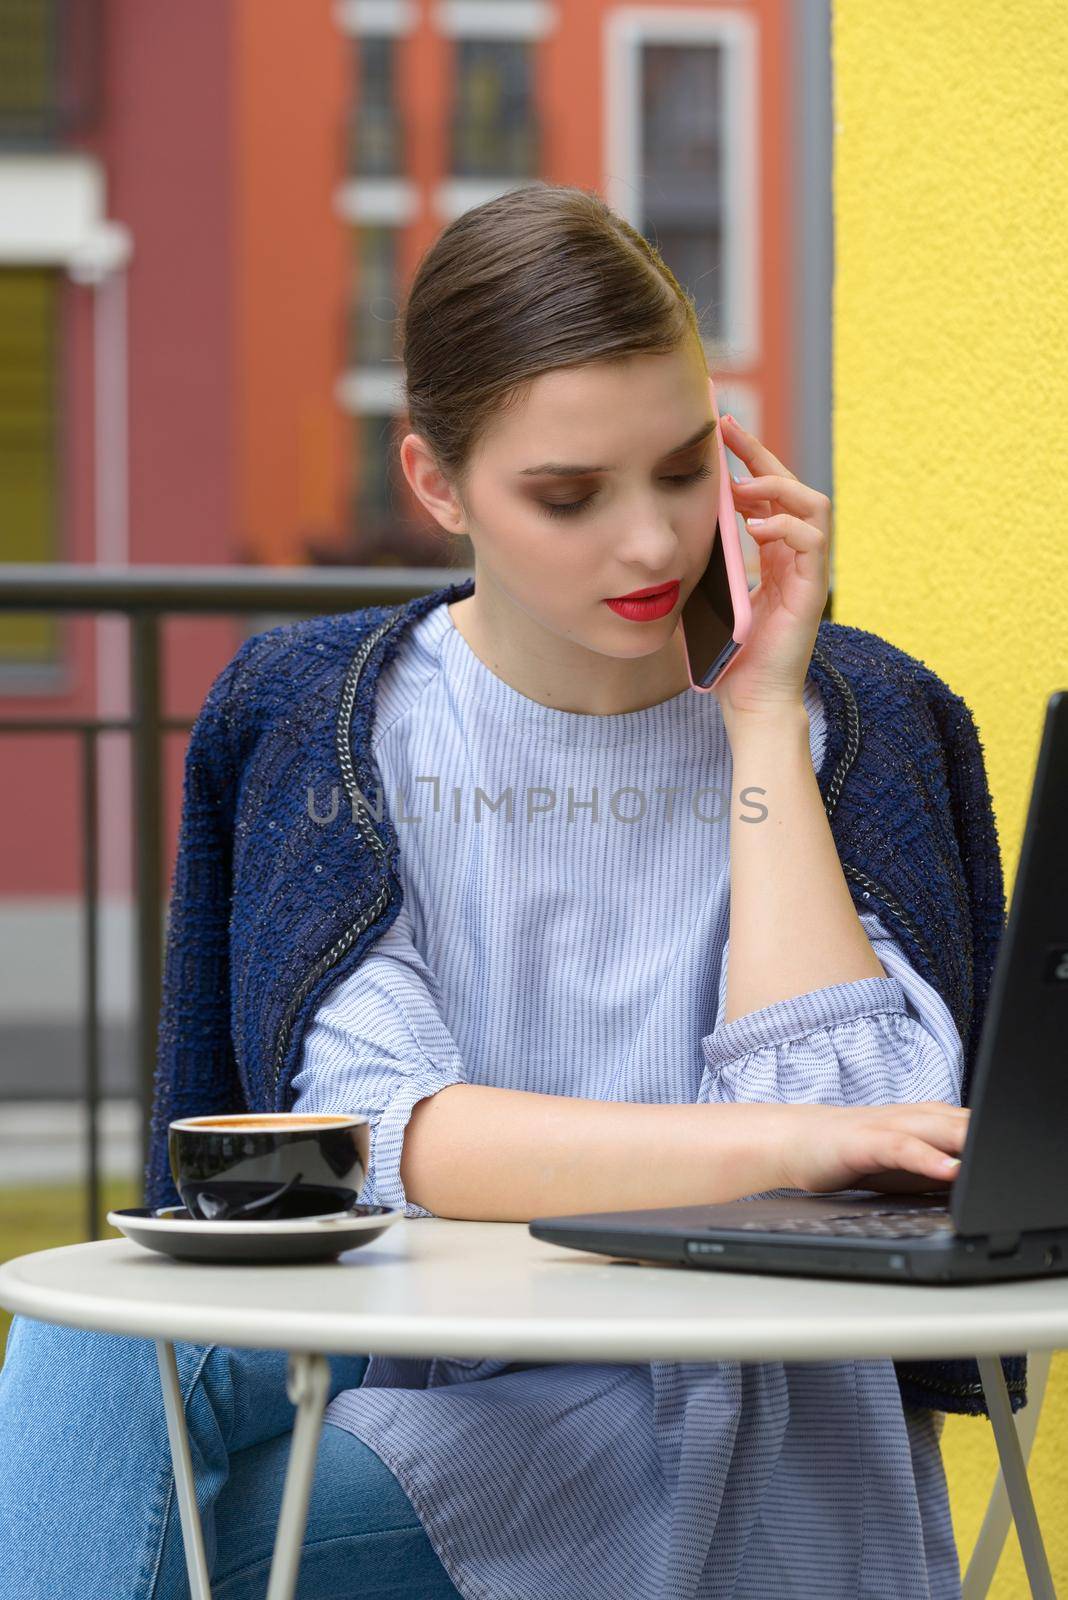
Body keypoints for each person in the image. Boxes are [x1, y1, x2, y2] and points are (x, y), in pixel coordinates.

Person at [0, 182, 1019, 1599]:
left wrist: (765, 707)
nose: (655, 545)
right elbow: (382, 1131)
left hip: (703, 1412)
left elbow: (873, 1148)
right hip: (418, 1363)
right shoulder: (330, 722)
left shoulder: (854, 725)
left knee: (156, 1536)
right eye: (568, 495)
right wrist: (769, 1152)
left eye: (682, 470)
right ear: (436, 485)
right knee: (96, 1338)